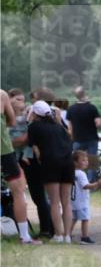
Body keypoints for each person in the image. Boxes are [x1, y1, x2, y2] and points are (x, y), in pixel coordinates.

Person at [28, 100, 76, 243]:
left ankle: (58, 235)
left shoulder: (33, 127)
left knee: (54, 202)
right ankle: (67, 236)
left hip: (50, 162)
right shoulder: (58, 126)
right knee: (66, 202)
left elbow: (36, 150)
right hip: (68, 163)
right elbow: (69, 138)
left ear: (35, 113)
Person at [1, 89, 39, 244]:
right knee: (18, 191)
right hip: (4, 150)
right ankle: (24, 236)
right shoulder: (2, 95)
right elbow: (12, 122)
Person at [66, 87, 101, 181]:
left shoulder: (71, 109)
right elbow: (98, 123)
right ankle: (90, 181)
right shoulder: (92, 107)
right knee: (91, 161)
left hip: (77, 139)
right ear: (84, 94)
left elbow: (70, 127)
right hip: (92, 139)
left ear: (76, 96)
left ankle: (76, 180)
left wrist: (72, 137)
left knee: (76, 161)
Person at [69, 150, 100, 244]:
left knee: (73, 218)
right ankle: (84, 237)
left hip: (73, 201)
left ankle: (67, 234)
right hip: (82, 202)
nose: (86, 162)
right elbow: (86, 186)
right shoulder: (81, 174)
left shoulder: (72, 173)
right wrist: (98, 183)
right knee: (85, 219)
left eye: (87, 160)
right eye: (83, 160)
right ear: (75, 162)